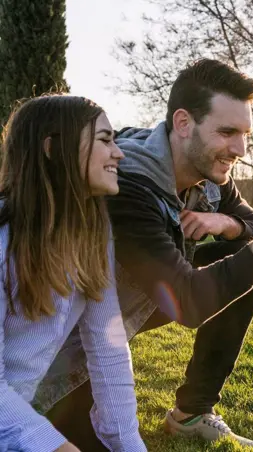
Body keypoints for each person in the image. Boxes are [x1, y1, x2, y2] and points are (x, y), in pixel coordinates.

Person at [35, 59, 253, 448]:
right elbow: (188, 303)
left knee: (247, 255)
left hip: (126, 308)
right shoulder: (127, 183)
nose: (240, 148)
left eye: (245, 133)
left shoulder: (212, 177)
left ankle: (192, 411)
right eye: (227, 132)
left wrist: (226, 224)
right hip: (65, 344)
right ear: (183, 124)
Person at [0, 95, 145, 451]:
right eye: (105, 140)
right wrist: (55, 446)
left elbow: (108, 350)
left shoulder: (94, 238)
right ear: (52, 148)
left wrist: (130, 446)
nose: (119, 153)